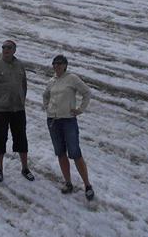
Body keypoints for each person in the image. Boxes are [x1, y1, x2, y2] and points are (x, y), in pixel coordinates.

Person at [42, 54, 94, 200]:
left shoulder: (72, 78)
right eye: (54, 63)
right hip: (53, 121)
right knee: (60, 153)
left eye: (59, 63)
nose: (56, 66)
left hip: (68, 121)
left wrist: (80, 109)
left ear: (65, 65)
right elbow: (45, 95)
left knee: (75, 153)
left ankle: (87, 185)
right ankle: (68, 182)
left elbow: (87, 93)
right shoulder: (51, 81)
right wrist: (48, 108)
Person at [0, 39, 34, 183]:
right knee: (0, 138)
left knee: (21, 138)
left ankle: (25, 168)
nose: (6, 49)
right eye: (3, 47)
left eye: (9, 47)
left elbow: (24, 85)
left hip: (18, 109)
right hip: (2, 110)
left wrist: (21, 100)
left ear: (14, 50)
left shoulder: (20, 65)